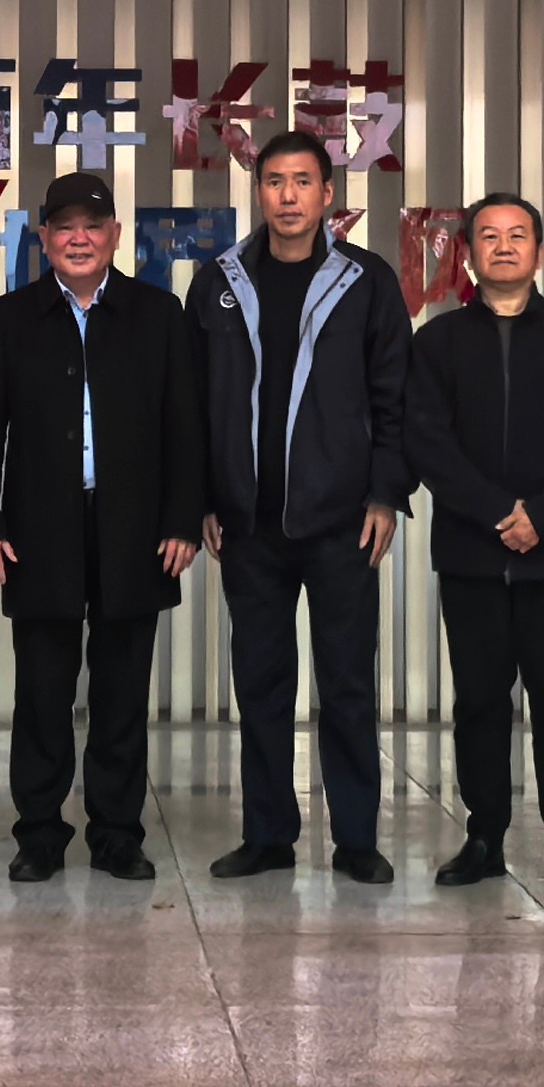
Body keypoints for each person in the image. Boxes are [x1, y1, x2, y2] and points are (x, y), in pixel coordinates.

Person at [0, 171, 206, 881]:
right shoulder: (10, 317)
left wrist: (183, 518)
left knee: (122, 692)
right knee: (42, 693)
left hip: (136, 531)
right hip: (38, 532)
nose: (79, 238)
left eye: (92, 226)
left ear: (115, 235)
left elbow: (186, 426)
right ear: (44, 238)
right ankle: (39, 833)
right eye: (64, 227)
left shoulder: (158, 314)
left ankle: (117, 833)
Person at [187, 132, 412, 883]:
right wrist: (204, 498)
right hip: (247, 522)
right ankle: (268, 835)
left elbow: (395, 396)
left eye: (303, 181)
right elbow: (195, 404)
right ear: (259, 192)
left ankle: (356, 839)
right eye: (275, 181)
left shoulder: (366, 280)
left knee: (346, 683)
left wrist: (386, 493)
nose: (288, 195)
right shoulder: (218, 282)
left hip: (342, 520)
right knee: (261, 684)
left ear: (327, 194)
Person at [404, 193, 544, 894]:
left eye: (517, 235)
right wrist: (500, 513)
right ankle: (485, 837)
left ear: (539, 252)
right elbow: (427, 442)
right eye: (489, 236)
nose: (503, 246)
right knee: (479, 702)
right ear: (468, 254)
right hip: (472, 555)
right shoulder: (437, 341)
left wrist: (543, 518)